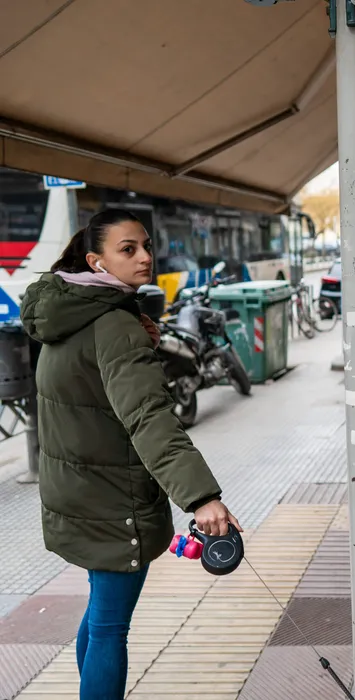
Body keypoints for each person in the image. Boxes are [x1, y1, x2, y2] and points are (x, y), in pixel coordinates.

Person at [20, 208, 241, 700]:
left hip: (76, 493)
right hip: (114, 501)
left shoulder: (68, 312)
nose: (145, 258)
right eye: (128, 249)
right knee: (109, 628)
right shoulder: (115, 326)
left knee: (101, 616)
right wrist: (202, 498)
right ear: (96, 261)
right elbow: (150, 418)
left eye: (146, 246)